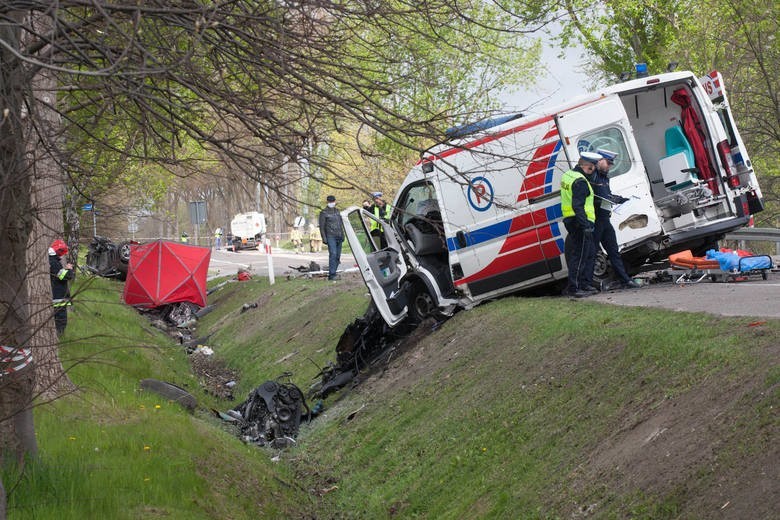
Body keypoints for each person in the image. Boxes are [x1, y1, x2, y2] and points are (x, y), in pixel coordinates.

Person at [589, 149, 641, 289]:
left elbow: (608, 195)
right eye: (608, 163)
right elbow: (591, 199)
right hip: (595, 221)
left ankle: (625, 280)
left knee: (613, 252)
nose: (609, 166)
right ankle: (584, 285)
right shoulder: (591, 177)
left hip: (605, 220)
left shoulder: (604, 177)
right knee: (591, 253)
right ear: (599, 161)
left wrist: (622, 200)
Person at [561, 152, 600, 298]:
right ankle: (574, 288)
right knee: (580, 256)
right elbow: (578, 205)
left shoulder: (568, 175)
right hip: (580, 222)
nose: (592, 172)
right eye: (591, 169)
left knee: (588, 253)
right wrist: (586, 226)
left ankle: (584, 284)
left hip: (572, 220)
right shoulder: (580, 182)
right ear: (585, 166)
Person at [49, 239, 75, 335]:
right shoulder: (53, 261)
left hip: (57, 295)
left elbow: (58, 274)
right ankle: (59, 335)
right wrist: (69, 269)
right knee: (61, 319)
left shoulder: (53, 260)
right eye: (60, 251)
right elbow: (63, 276)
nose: (61, 253)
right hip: (58, 296)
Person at [319, 194, 344, 281]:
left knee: (337, 256)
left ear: (335, 202)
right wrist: (324, 238)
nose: (331, 203)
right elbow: (322, 227)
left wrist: (343, 235)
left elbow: (340, 224)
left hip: (339, 236)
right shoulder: (324, 212)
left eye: (333, 201)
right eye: (330, 202)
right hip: (330, 236)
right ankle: (332, 274)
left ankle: (334, 272)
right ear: (327, 202)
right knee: (333, 254)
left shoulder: (337, 211)